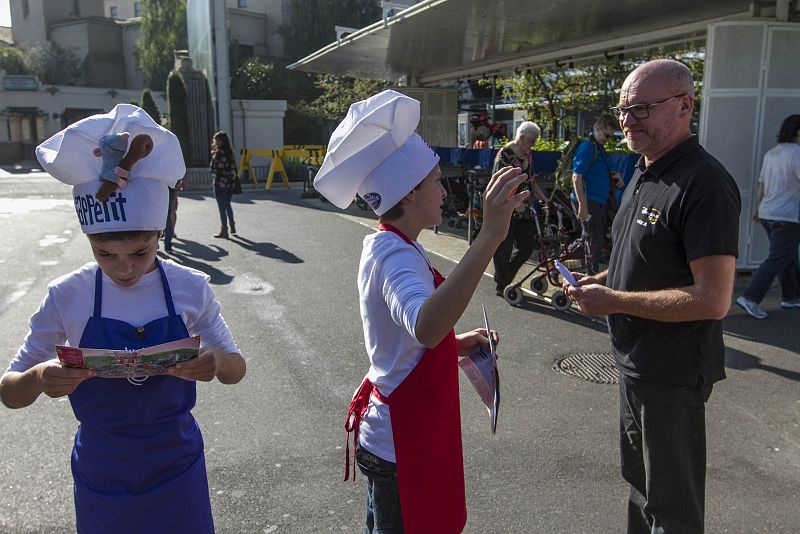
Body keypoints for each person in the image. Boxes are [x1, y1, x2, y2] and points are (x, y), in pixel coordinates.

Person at [0, 104, 247, 534]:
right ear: (90, 241)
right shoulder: (67, 295)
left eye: (139, 253)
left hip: (178, 466)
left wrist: (216, 363)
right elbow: (9, 391)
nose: (124, 268)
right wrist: (41, 377)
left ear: (162, 230)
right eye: (105, 254)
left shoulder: (190, 287)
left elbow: (236, 368)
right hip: (103, 473)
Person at [313, 90, 527, 534]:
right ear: (409, 193)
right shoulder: (394, 254)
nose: (444, 190)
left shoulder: (395, 244)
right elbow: (427, 326)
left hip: (401, 438)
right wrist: (488, 235)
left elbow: (417, 337)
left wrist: (456, 342)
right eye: (435, 181)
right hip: (400, 445)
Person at [564, 60, 741, 533]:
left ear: (684, 106)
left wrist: (615, 301)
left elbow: (712, 299)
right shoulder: (645, 172)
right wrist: (596, 282)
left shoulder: (704, 182)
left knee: (672, 507)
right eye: (623, 109)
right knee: (641, 487)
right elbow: (634, 260)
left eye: (641, 109)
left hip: (672, 371)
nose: (627, 120)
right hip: (635, 363)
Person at [735, 114, 800, 318]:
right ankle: (750, 298)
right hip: (786, 216)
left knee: (786, 257)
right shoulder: (797, 153)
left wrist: (758, 208)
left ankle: (791, 298)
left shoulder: (772, 153)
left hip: (768, 213)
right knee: (778, 257)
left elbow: (761, 185)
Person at [491, 121, 550, 296]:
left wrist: (544, 198)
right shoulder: (505, 155)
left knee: (527, 246)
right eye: (531, 142)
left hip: (524, 209)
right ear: (522, 137)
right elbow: (500, 185)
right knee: (504, 247)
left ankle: (506, 277)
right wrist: (515, 204)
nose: (532, 146)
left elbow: (531, 181)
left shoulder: (527, 155)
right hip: (505, 208)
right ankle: (502, 284)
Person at [571, 114, 622, 275]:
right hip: (589, 200)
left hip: (597, 200)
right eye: (606, 135)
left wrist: (615, 176)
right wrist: (582, 205)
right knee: (594, 239)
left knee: (591, 238)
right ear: (598, 129)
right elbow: (576, 176)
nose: (607, 139)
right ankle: (589, 275)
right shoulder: (588, 147)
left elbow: (597, 171)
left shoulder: (598, 147)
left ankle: (562, 263)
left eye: (611, 137)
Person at [210, 131, 237, 239]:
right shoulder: (230, 153)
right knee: (227, 205)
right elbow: (233, 169)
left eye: (217, 140)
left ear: (221, 141)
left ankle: (224, 230)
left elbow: (213, 169)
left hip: (219, 183)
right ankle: (232, 225)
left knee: (221, 207)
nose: (215, 142)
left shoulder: (218, 154)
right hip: (229, 184)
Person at [164, 176, 186, 252]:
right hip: (171, 186)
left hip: (157, 187)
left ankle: (155, 246)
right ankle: (168, 244)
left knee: (156, 216)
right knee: (169, 215)